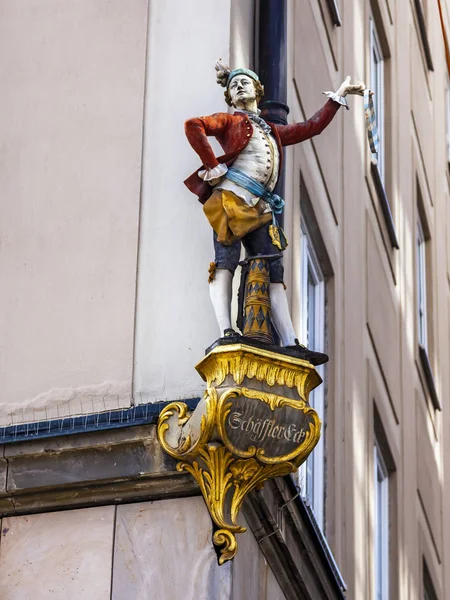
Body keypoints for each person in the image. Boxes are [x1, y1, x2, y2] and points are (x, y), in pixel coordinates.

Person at [184, 61, 365, 357]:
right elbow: (194, 125)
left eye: (244, 82)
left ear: (257, 90)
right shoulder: (229, 122)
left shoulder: (272, 130)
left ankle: (291, 342)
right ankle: (226, 331)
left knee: (274, 270)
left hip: (261, 207)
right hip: (231, 198)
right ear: (229, 97)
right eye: (233, 85)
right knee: (225, 261)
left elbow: (311, 127)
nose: (239, 86)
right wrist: (213, 165)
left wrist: (337, 97)